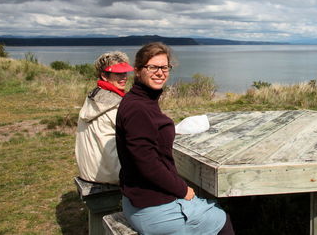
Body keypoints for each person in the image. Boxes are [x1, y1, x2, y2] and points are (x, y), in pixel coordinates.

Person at [116, 42, 234, 235]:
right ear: (137, 71)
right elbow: (147, 163)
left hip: (139, 199)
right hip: (150, 208)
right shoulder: (138, 108)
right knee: (221, 220)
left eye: (164, 67)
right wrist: (182, 189)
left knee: (209, 205)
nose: (160, 72)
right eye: (152, 67)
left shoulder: (140, 100)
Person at [75, 51, 134, 184]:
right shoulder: (116, 104)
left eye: (125, 72)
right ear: (104, 76)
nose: (124, 77)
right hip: (110, 173)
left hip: (88, 170)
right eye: (118, 73)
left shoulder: (93, 97)